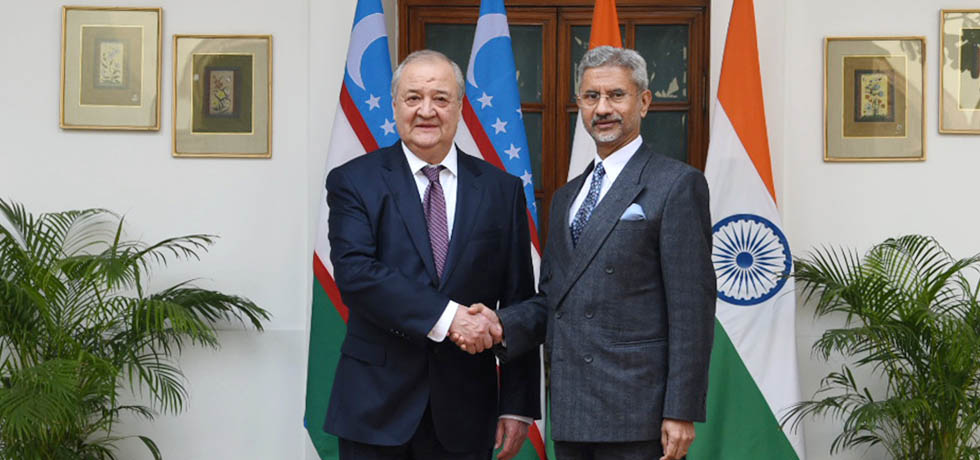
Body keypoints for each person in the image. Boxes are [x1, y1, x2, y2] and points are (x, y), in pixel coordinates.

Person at [454, 46, 716, 460]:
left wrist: (680, 410)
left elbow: (691, 310)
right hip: (573, 410)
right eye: (592, 97)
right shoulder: (567, 197)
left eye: (617, 95)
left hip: (640, 414)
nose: (603, 108)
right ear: (580, 105)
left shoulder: (676, 184)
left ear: (644, 102)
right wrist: (500, 322)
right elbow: (555, 300)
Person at [323, 49, 539, 460]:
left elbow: (518, 299)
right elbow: (356, 274)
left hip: (467, 410)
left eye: (441, 98)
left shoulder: (501, 190)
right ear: (395, 105)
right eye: (413, 98)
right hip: (375, 409)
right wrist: (450, 318)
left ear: (459, 107)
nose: (427, 111)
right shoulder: (354, 181)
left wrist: (517, 403)